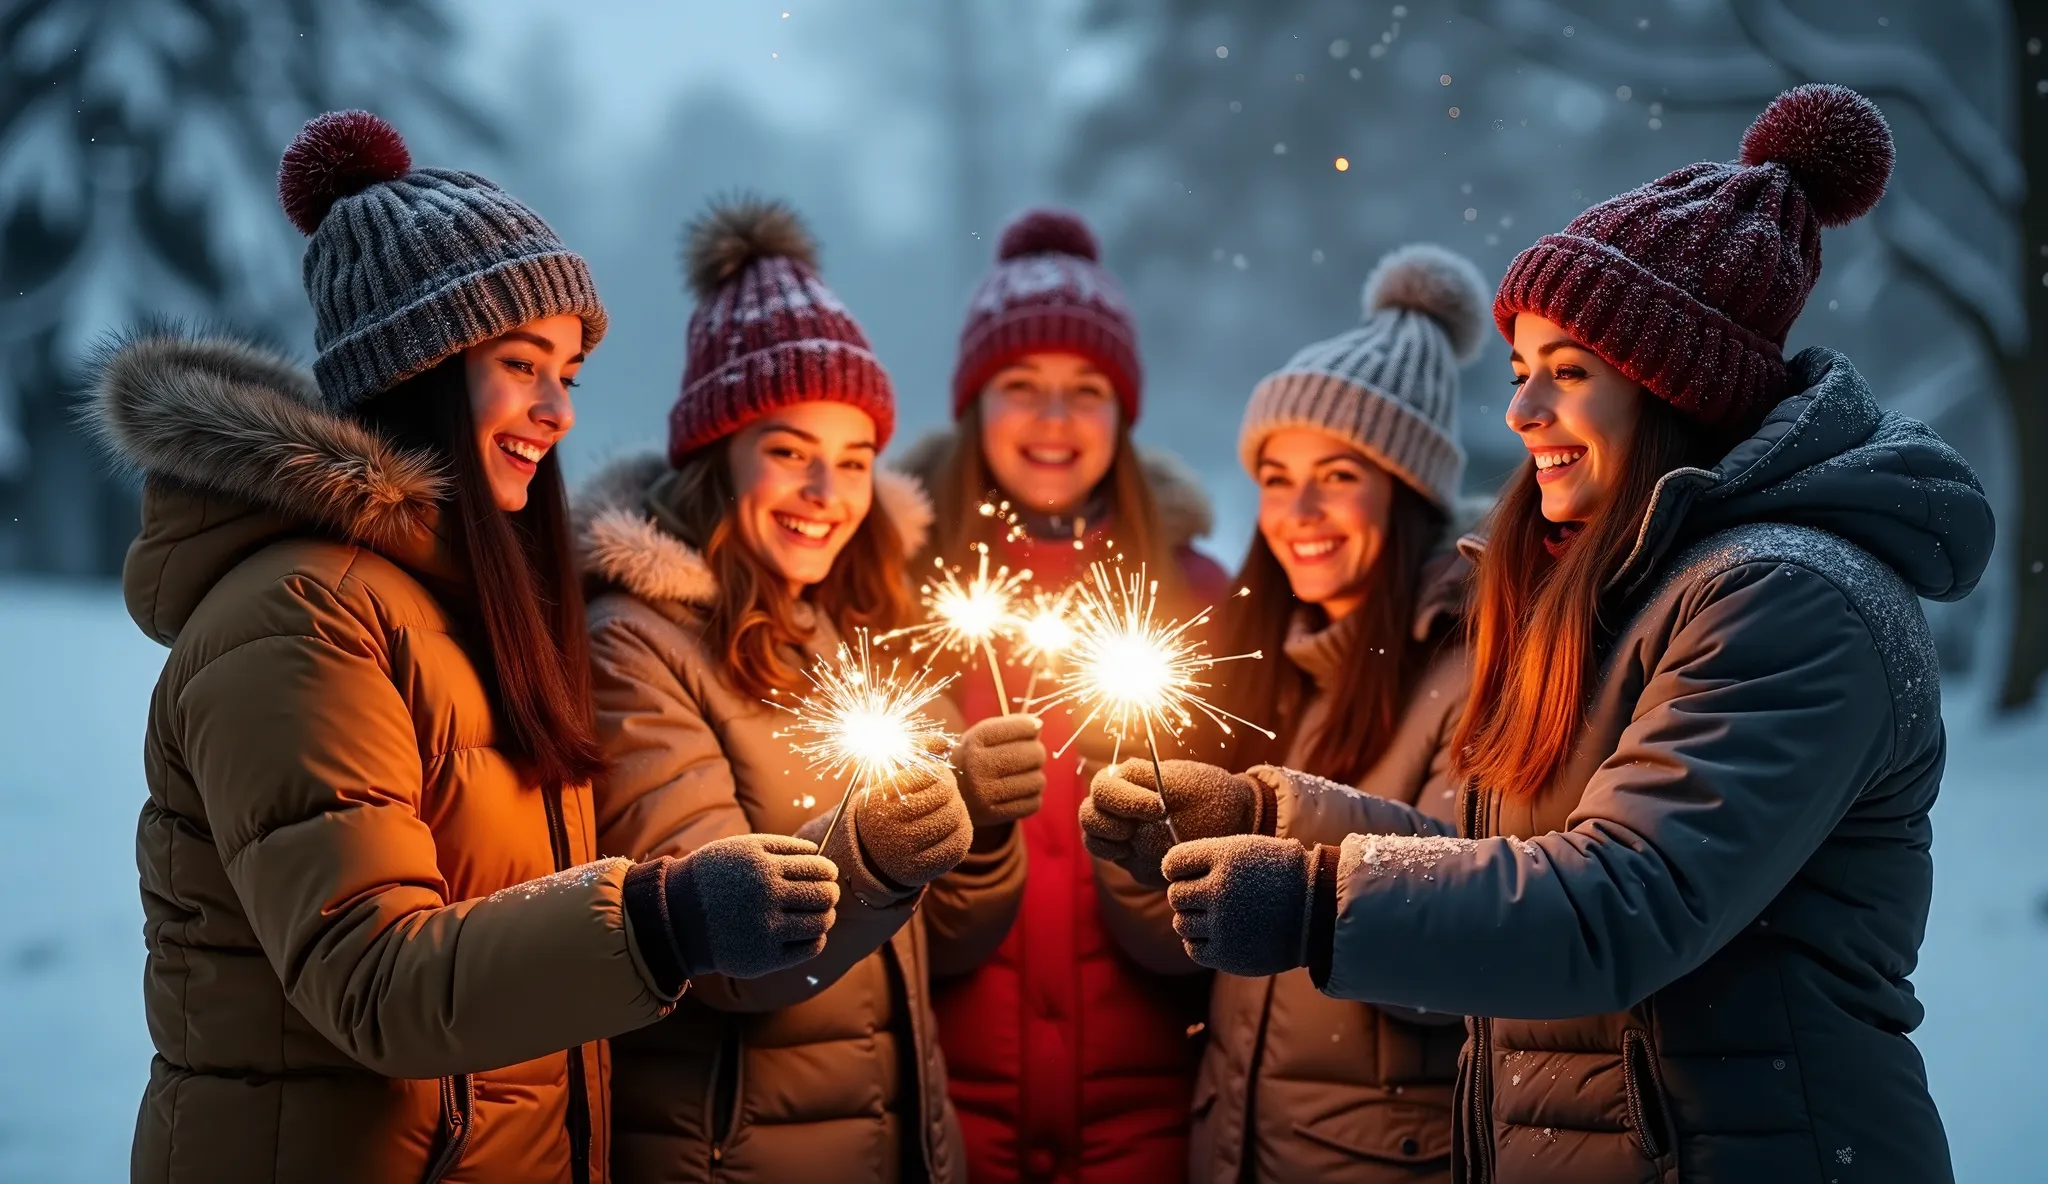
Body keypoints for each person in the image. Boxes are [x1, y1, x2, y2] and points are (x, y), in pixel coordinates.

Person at [1146, 85, 1993, 1181]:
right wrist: (1276, 812)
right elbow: (1514, 866)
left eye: (1566, 372)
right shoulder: (1615, 589)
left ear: (1668, 385)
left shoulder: (1789, 600)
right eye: (1517, 370)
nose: (1519, 411)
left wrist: (1315, 903)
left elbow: (1617, 901)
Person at [89, 113, 840, 1184]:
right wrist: (660, 917)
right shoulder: (302, 617)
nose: (556, 409)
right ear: (418, 369)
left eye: (568, 373)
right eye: (521, 363)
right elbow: (374, 978)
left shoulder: (477, 612)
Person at [580, 199, 1045, 1184]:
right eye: (789, 452)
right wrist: (872, 853)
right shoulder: (633, 649)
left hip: (893, 1143)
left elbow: (948, 944)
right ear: (717, 455)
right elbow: (717, 952)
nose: (825, 493)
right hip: (729, 1156)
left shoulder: (857, 630)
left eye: (852, 460)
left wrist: (978, 830)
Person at [1082, 243, 1492, 1182]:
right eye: (1276, 476)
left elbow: (1471, 939)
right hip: (1239, 1149)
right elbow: (1182, 954)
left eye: (1340, 475)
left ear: (1408, 491)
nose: (1299, 509)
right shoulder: (1258, 666)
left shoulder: (1476, 667)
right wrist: (1140, 853)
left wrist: (1267, 827)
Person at [893, 207, 1230, 1184]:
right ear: (971, 406)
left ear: (1122, 415)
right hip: (951, 1116)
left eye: (1084, 389)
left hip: (1146, 1121)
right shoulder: (896, 593)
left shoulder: (1195, 600)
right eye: (1020, 386)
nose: (1052, 418)